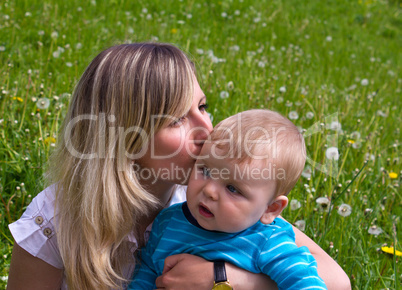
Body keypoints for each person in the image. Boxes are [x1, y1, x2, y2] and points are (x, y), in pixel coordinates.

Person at [7, 42, 350, 290]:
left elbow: (336, 281)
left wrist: (226, 279)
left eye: (203, 106)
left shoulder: (212, 198)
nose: (207, 129)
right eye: (175, 120)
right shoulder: (57, 220)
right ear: (122, 138)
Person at [129, 109, 327, 289]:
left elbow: (306, 283)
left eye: (233, 188)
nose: (210, 191)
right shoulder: (167, 223)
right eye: (205, 170)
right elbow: (145, 273)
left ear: (270, 209)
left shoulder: (268, 242)